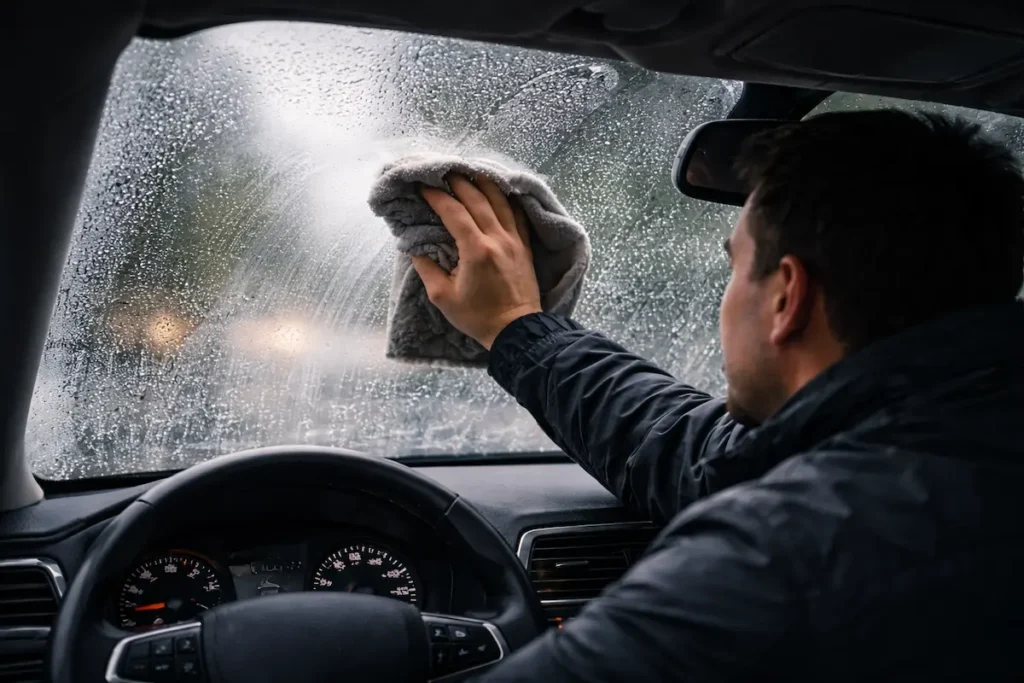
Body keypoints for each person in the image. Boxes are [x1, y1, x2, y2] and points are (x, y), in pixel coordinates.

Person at [411, 109, 1024, 681]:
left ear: (787, 297)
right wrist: (517, 327)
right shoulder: (948, 442)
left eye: (734, 268)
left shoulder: (770, 571)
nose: (725, 301)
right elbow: (709, 458)